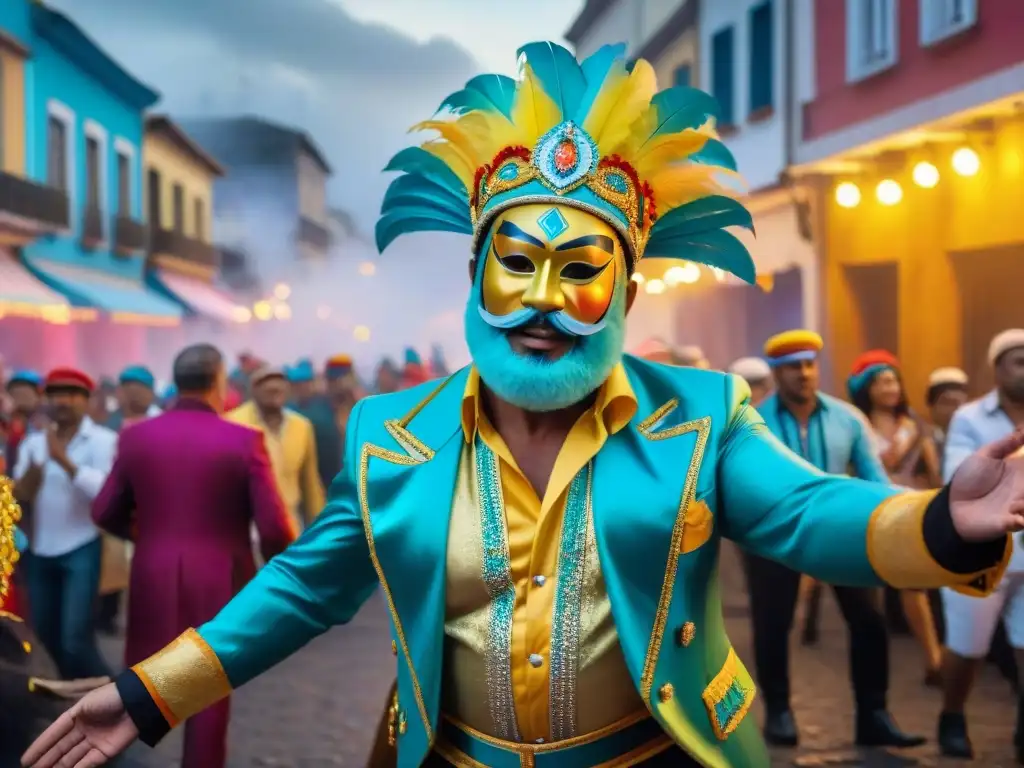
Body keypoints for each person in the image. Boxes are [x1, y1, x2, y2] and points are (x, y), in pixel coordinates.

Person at [23, 43, 1020, 768]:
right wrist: (150, 694)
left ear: (626, 297)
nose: (543, 299)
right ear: (475, 273)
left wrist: (943, 522)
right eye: (518, 264)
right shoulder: (390, 436)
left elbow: (809, 513)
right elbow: (301, 590)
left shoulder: (703, 414)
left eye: (581, 270)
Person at [89, 344, 297, 768]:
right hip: (221, 579)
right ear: (220, 383)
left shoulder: (136, 436)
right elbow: (275, 529)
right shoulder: (244, 441)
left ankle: (111, 757)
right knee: (209, 695)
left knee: (141, 687)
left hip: (151, 573)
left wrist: (145, 536)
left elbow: (104, 511)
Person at [748, 331, 921, 748]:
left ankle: (874, 714)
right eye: (793, 367)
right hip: (775, 534)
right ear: (776, 372)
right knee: (773, 623)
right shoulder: (753, 421)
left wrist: (908, 512)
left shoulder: (847, 418)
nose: (804, 374)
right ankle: (779, 711)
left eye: (809, 364)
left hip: (841, 531)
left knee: (869, 620)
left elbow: (876, 479)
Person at [937, 329, 1024, 760]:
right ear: (998, 369)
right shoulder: (970, 418)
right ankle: (951, 716)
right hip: (980, 553)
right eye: (1019, 361)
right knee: (968, 648)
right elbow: (958, 476)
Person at [847, 350, 944, 686]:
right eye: (882, 382)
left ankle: (934, 660)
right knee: (869, 602)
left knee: (913, 586)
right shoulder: (859, 426)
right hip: (872, 515)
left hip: (912, 512)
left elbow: (932, 471)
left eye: (894, 381)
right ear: (866, 388)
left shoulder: (913, 424)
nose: (891, 388)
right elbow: (873, 465)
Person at [12, 368, 116, 680]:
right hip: (41, 548)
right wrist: (28, 482)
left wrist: (65, 462)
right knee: (45, 637)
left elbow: (105, 493)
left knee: (75, 641)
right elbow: (21, 497)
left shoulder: (103, 440)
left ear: (86, 401)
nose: (62, 401)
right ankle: (68, 707)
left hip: (82, 546)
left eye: (71, 394)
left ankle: (116, 698)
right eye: (55, 394)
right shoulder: (33, 443)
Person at [228, 366, 325, 530]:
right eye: (265, 382)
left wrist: (322, 531)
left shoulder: (301, 427)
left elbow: (311, 485)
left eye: (279, 382)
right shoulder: (234, 424)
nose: (274, 387)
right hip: (248, 528)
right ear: (253, 389)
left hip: (291, 526)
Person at [288, 359, 342, 490]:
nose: (301, 387)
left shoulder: (325, 405)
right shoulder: (291, 408)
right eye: (297, 384)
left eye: (304, 383)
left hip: (328, 471)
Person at [926, 367, 970, 467]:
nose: (953, 411)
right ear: (932, 407)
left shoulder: (976, 440)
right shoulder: (922, 440)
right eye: (946, 403)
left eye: (958, 404)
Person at [105, 366, 161, 433]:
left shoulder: (160, 422)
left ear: (150, 394)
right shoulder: (109, 422)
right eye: (125, 390)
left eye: (137, 392)